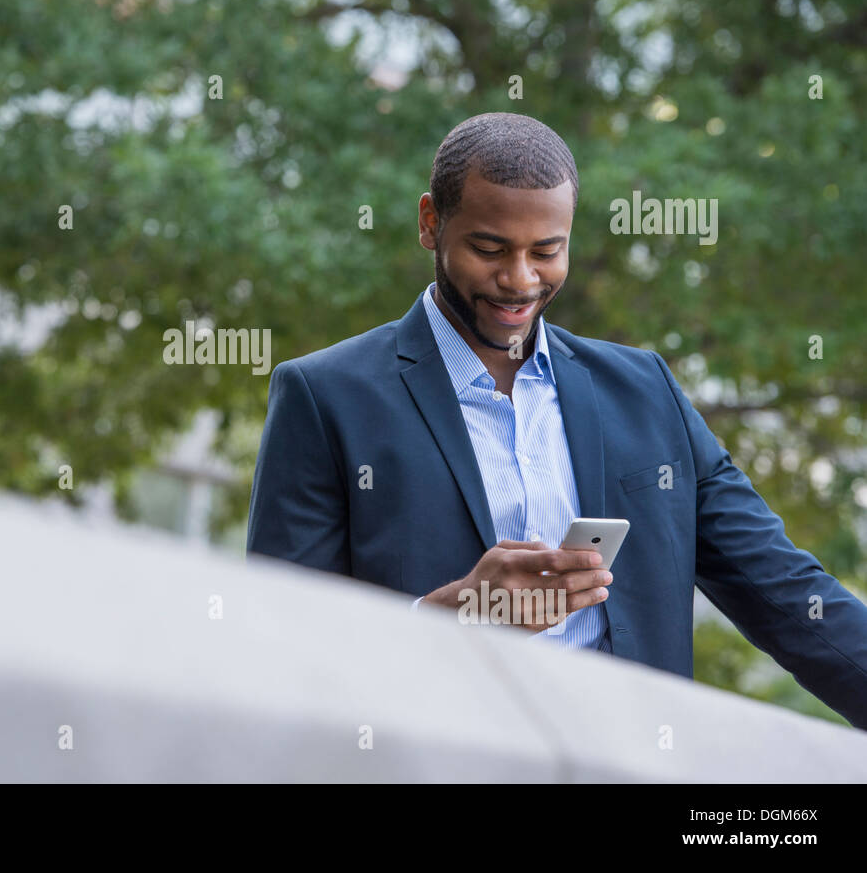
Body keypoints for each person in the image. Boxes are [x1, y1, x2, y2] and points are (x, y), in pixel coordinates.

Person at [246, 111, 867, 729]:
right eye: (489, 249)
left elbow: (785, 591)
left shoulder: (646, 391)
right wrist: (454, 615)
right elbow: (280, 646)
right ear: (430, 222)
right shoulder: (324, 395)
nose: (520, 280)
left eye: (547, 251)